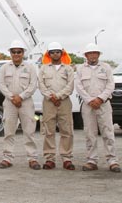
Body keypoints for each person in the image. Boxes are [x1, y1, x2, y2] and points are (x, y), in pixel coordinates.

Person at [75, 43, 121, 173]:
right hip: (88, 105)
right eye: (90, 53)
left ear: (99, 54)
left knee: (108, 132)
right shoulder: (80, 69)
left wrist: (100, 98)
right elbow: (79, 86)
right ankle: (92, 160)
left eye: (95, 53)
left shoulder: (106, 67)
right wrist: (90, 100)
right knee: (90, 133)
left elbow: (110, 85)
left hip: (104, 104)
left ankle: (112, 160)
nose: (93, 55)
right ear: (86, 55)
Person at [0, 40, 41, 170]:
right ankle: (7, 158)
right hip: (9, 102)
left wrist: (21, 97)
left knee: (29, 131)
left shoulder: (30, 68)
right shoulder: (4, 68)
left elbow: (33, 85)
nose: (16, 54)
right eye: (14, 51)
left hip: (26, 102)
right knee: (9, 131)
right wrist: (12, 97)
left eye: (19, 51)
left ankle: (32, 158)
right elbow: (1, 85)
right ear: (10, 53)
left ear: (23, 53)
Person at [38, 41, 76, 170]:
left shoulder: (68, 69)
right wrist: (51, 97)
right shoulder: (43, 68)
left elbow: (70, 86)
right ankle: (49, 159)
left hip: (64, 102)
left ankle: (67, 158)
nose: (55, 54)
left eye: (57, 52)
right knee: (49, 131)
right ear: (48, 54)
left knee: (67, 130)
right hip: (48, 102)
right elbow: (41, 85)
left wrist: (58, 96)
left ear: (62, 53)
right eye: (52, 52)